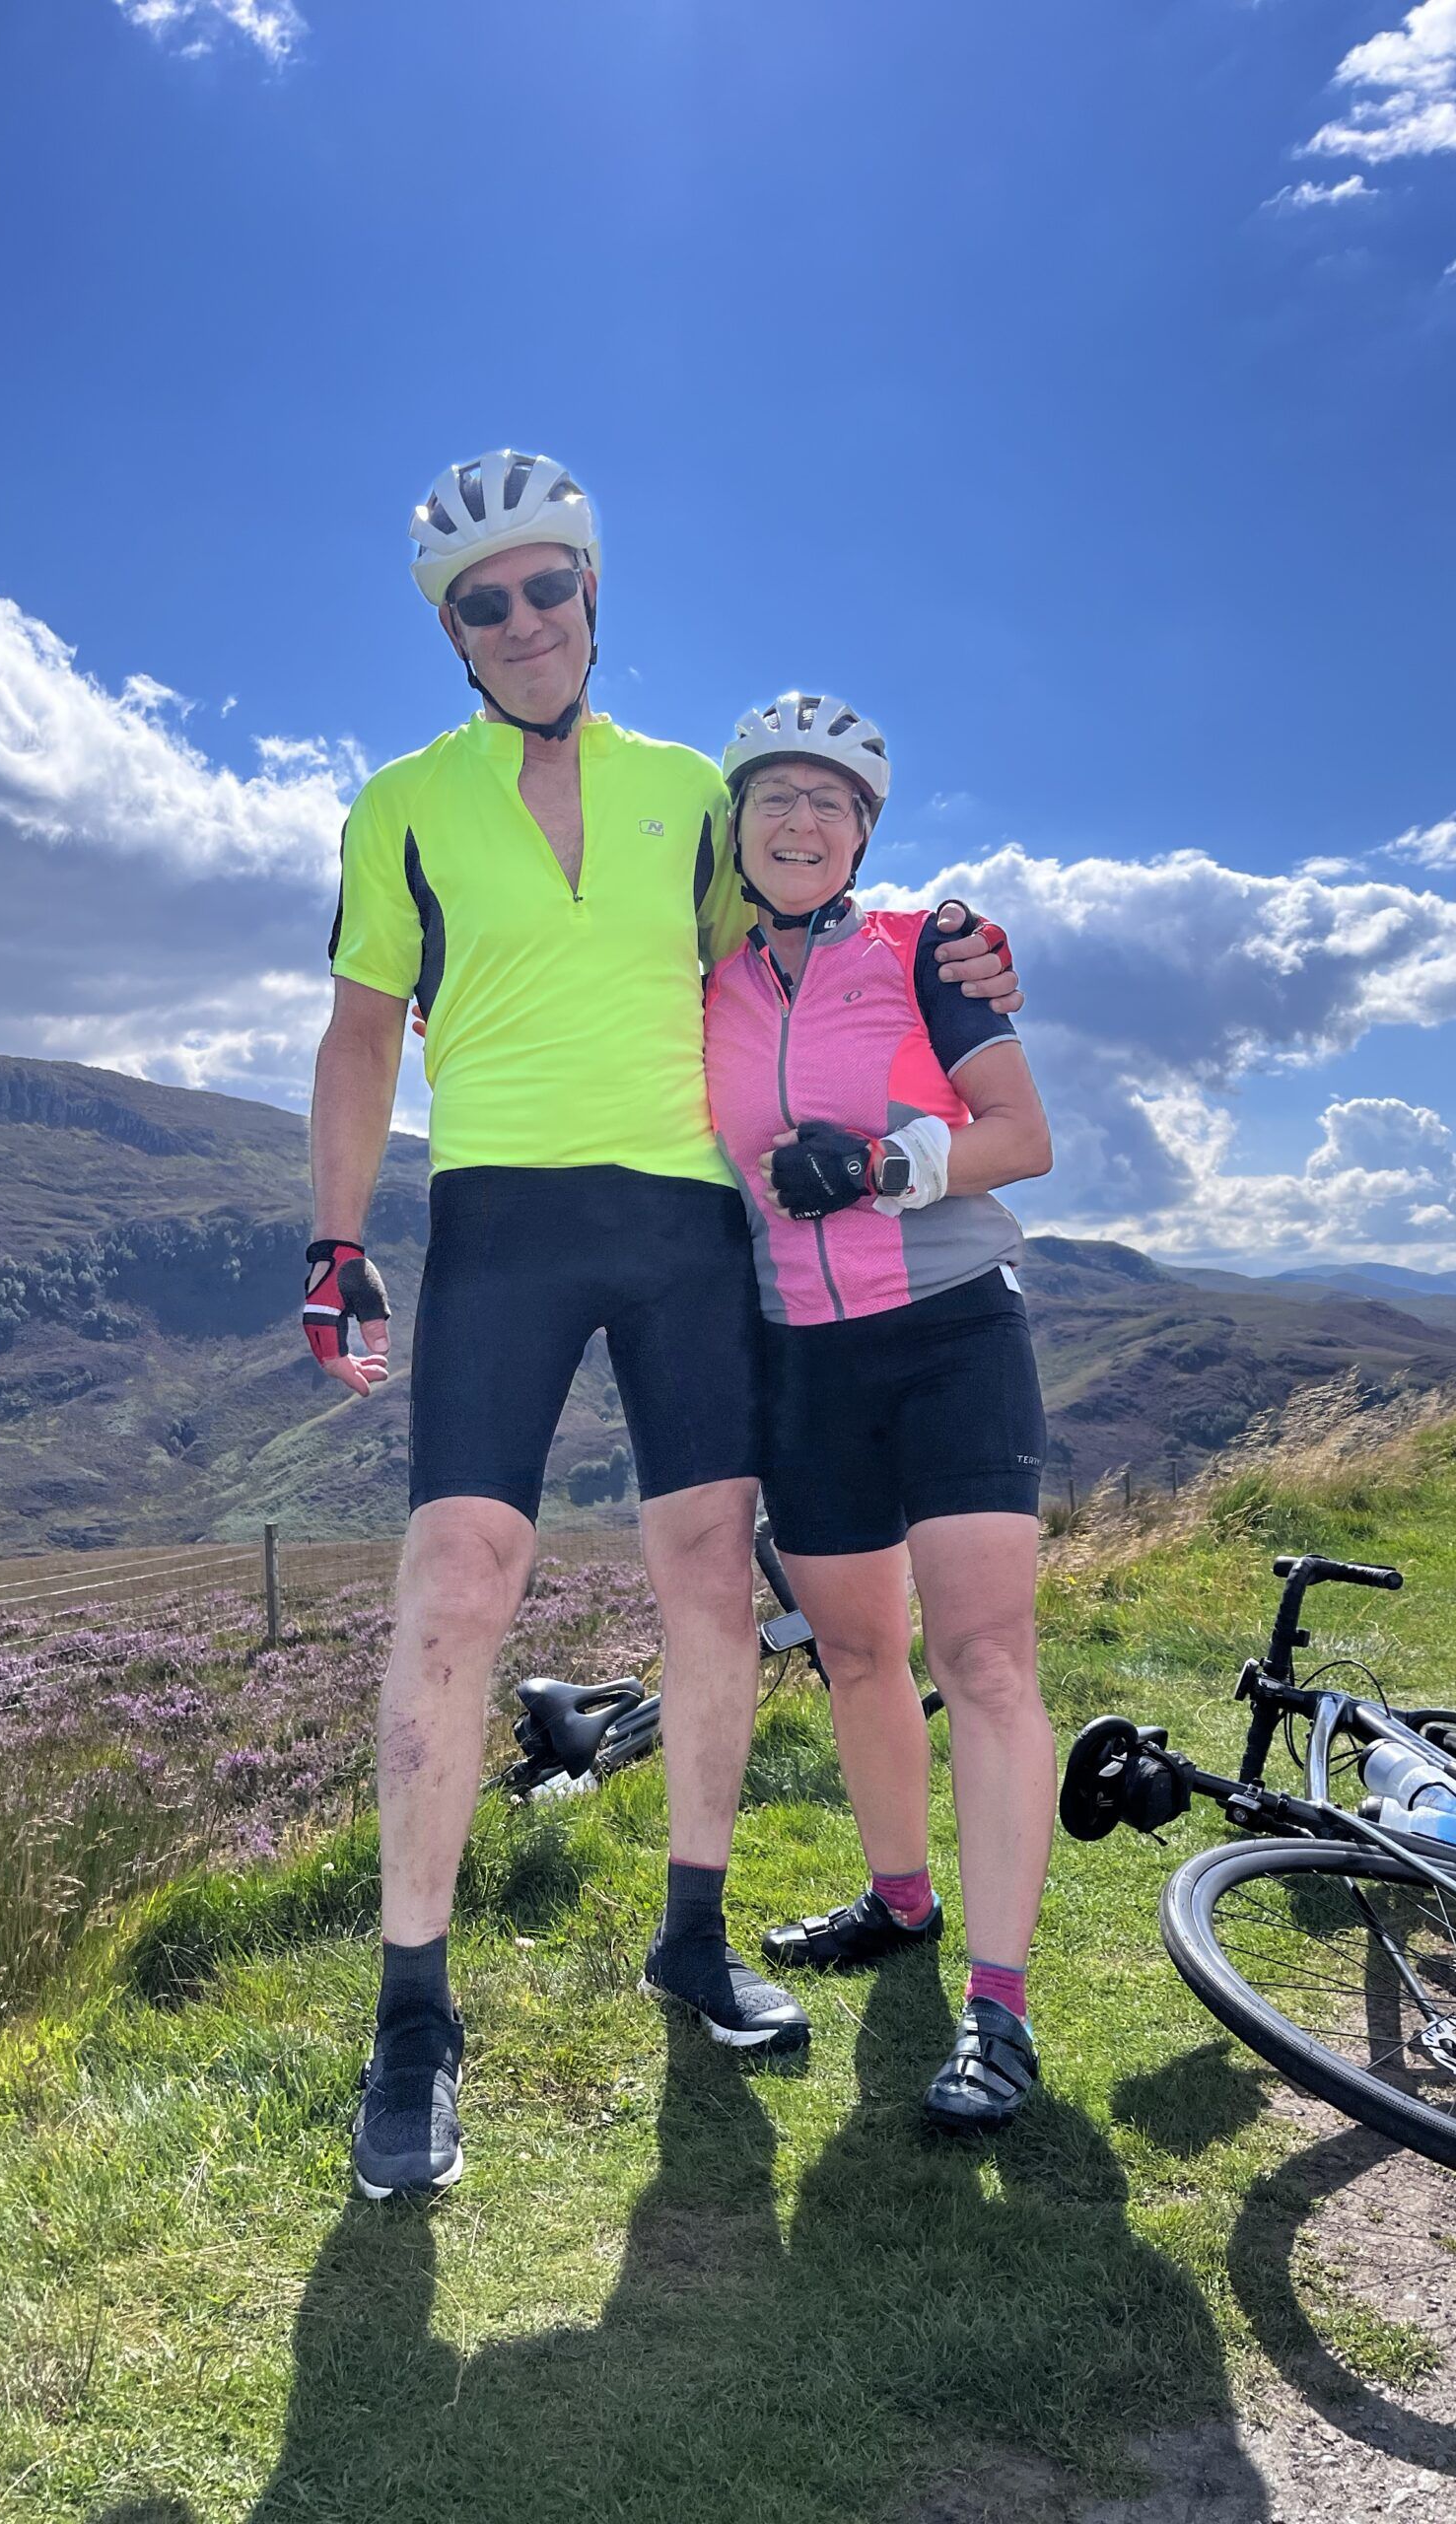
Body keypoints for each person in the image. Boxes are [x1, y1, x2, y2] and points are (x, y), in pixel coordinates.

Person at [304, 454, 1024, 2197]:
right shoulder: (402, 801)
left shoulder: (692, 788)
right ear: (453, 630)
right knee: (461, 1578)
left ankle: (692, 1939)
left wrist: (958, 949)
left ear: (594, 596)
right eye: (487, 602)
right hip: (503, 1221)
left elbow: (792, 935)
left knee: (713, 1581)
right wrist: (336, 1242)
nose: (526, 621)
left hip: (690, 1228)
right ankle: (413, 2021)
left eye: (550, 587)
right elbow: (359, 1035)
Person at [703, 693, 1057, 2133]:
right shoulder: (703, 980)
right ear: (737, 825)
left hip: (953, 1336)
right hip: (804, 1354)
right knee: (855, 1654)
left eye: (832, 802)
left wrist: (885, 1167)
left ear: (865, 833)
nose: (801, 821)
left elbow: (1023, 1141)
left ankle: (1000, 2003)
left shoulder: (929, 951)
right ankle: (900, 1903)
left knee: (981, 1654)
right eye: (776, 796)